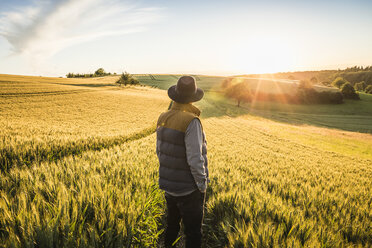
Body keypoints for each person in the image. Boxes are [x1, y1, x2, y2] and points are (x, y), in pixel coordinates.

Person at [156, 76, 209, 248]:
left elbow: (159, 151)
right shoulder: (191, 121)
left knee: (172, 224)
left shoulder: (163, 117)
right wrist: (201, 185)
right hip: (188, 189)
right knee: (193, 233)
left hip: (168, 186)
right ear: (192, 99)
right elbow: (195, 159)